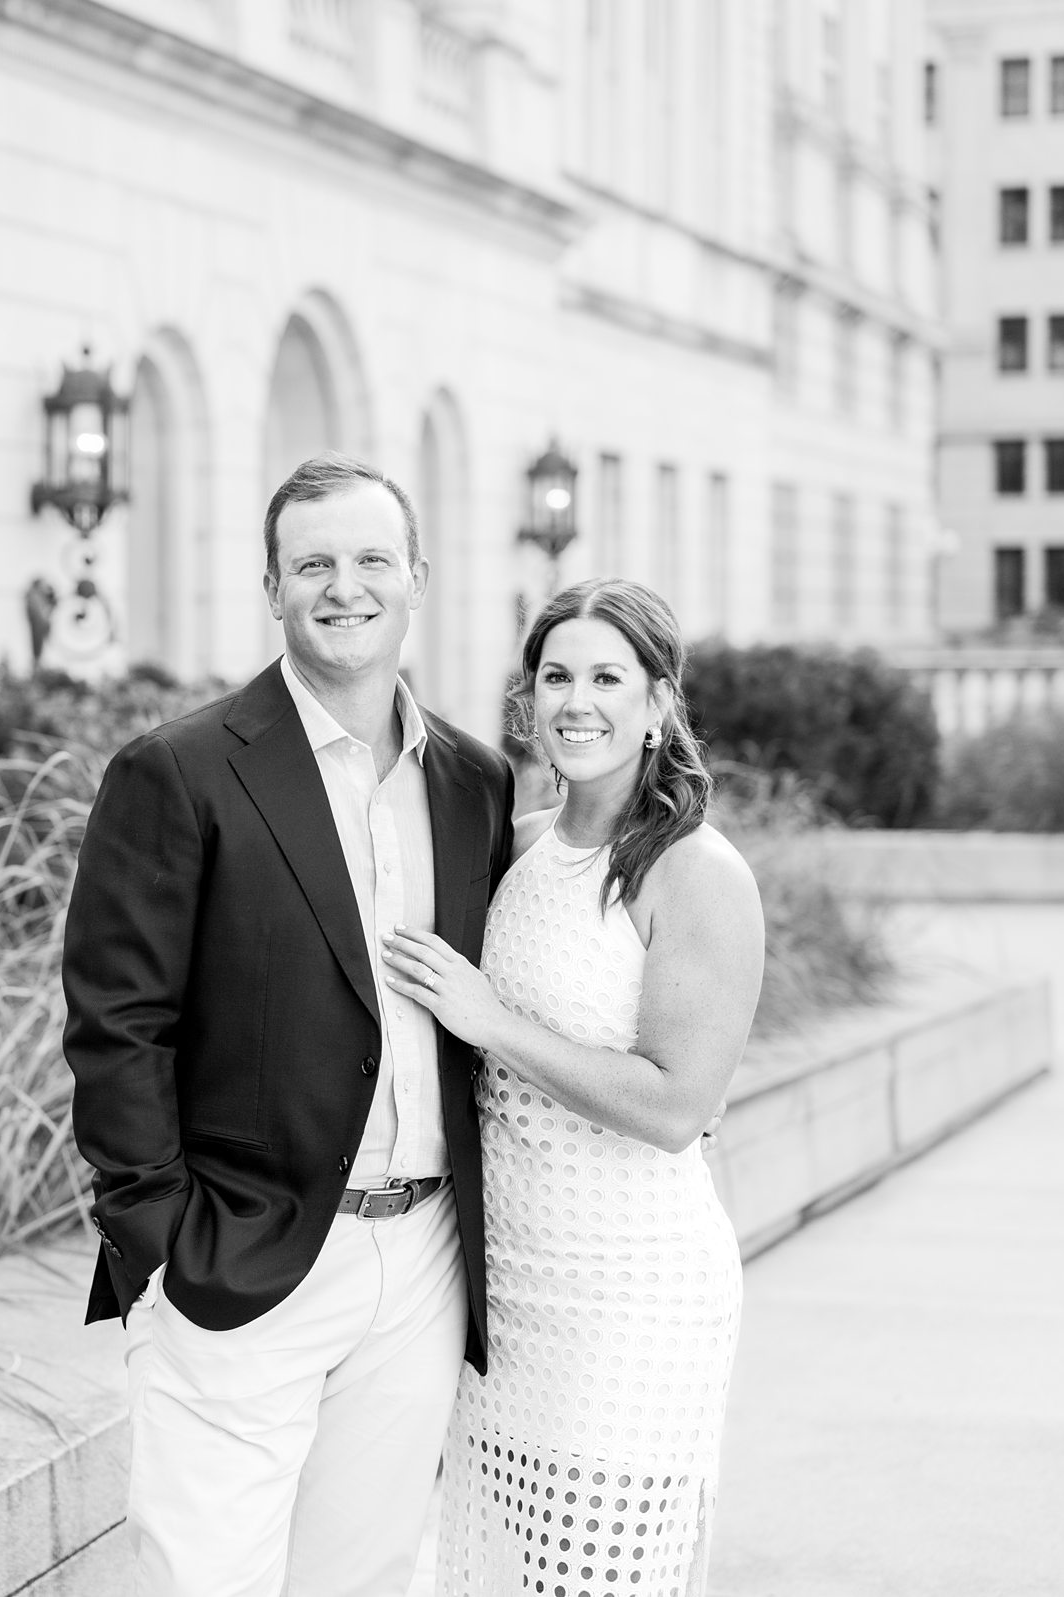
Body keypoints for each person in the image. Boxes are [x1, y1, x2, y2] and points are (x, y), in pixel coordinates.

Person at [63, 453, 517, 1597]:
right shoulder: (178, 772)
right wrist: (160, 1241)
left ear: (417, 578)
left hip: (421, 1255)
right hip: (237, 1255)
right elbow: (118, 1024)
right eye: (312, 562)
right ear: (272, 587)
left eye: (371, 559)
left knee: (360, 1577)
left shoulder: (474, 784)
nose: (343, 585)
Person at [380, 578, 765, 1597]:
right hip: (507, 1294)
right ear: (529, 696)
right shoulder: (514, 849)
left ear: (658, 703)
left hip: (633, 1296)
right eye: (557, 675)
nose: (577, 700)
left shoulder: (696, 872)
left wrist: (491, 1021)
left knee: (594, 1580)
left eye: (608, 676)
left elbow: (677, 1107)